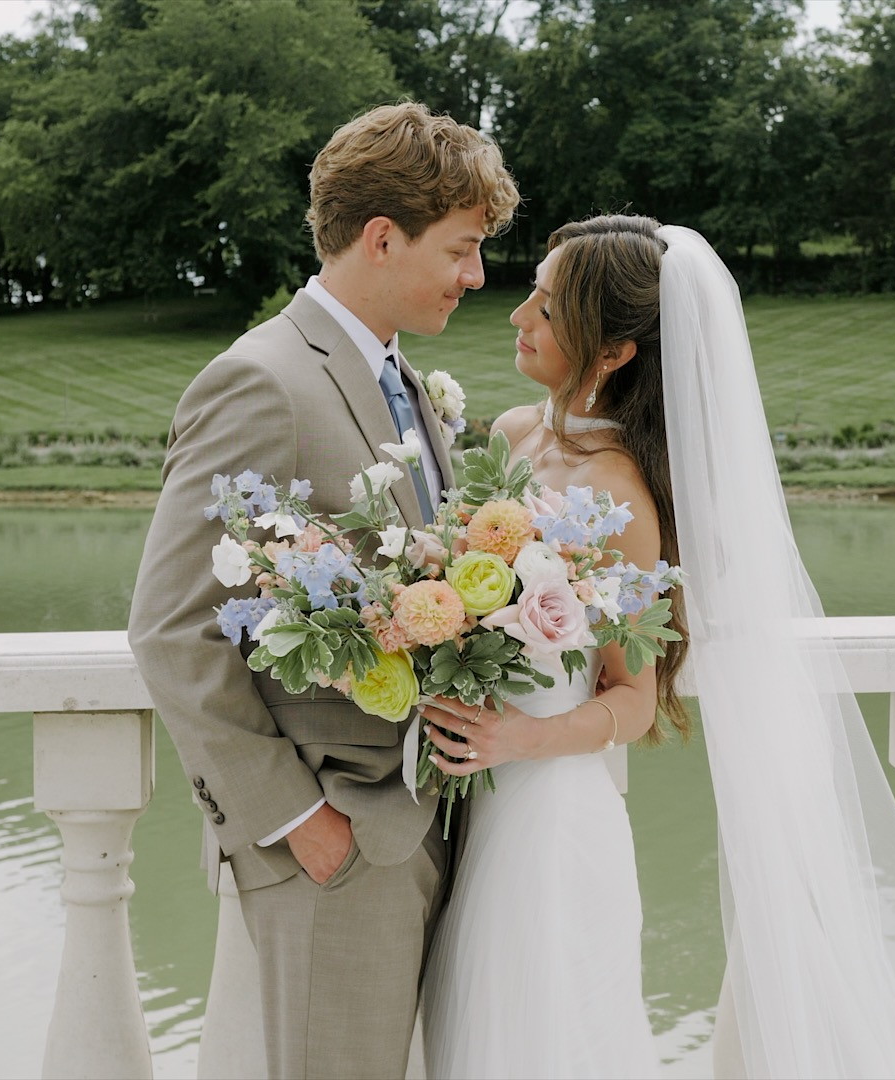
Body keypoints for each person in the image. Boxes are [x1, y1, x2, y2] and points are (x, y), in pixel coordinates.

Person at [416, 216, 895, 1079]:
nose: (516, 313)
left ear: (612, 354)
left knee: (539, 1038)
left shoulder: (620, 501)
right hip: (472, 800)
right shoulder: (511, 433)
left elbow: (632, 699)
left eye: (547, 301)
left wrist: (518, 737)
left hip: (547, 816)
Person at [126, 102, 518, 1080]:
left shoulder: (409, 385)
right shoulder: (261, 380)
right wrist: (296, 822)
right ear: (383, 237)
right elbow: (172, 627)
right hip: (337, 843)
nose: (476, 276)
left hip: (431, 819)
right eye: (462, 250)